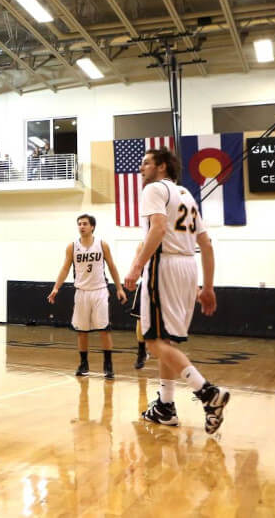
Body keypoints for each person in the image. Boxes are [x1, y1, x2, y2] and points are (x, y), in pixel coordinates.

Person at [123, 147, 230, 434]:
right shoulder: (187, 195)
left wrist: (136, 268)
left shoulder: (154, 189)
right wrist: (207, 287)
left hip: (164, 265)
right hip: (188, 267)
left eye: (146, 163)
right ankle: (165, 407)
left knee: (153, 341)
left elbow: (156, 230)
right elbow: (205, 244)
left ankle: (207, 393)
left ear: (161, 167)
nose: (141, 168)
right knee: (166, 342)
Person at [47, 214, 126, 378]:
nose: (81, 226)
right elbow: (65, 268)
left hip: (99, 291)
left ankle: (108, 365)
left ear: (92, 227)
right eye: (79, 224)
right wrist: (56, 288)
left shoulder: (102, 245)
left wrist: (119, 288)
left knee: (104, 329)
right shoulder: (72, 247)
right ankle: (83, 364)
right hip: (81, 291)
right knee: (82, 331)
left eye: (85, 224)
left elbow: (112, 267)